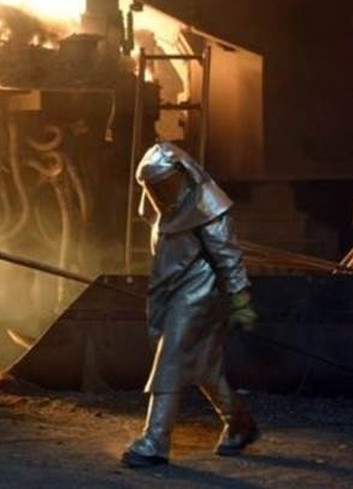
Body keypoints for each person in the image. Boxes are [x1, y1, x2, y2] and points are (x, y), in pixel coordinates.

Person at [121, 142, 259, 468]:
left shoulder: (208, 207)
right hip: (171, 292)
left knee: (170, 360)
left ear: (184, 176)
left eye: (166, 184)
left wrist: (240, 299)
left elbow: (228, 257)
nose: (162, 192)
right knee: (204, 367)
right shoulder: (161, 208)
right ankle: (239, 424)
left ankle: (155, 440)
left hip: (199, 294)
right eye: (155, 188)